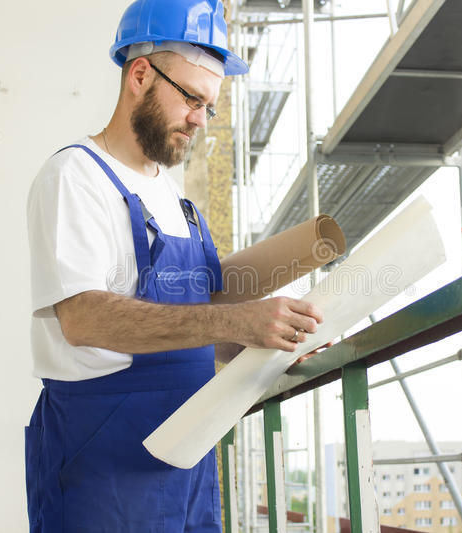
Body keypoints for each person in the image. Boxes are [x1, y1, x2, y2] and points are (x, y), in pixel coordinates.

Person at [24, 1, 324, 531]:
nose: (198, 120)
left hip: (186, 458)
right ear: (140, 74)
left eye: (208, 107)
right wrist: (238, 320)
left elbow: (193, 333)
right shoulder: (77, 176)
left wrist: (271, 342)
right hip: (104, 468)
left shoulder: (175, 199)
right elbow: (83, 318)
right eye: (191, 98)